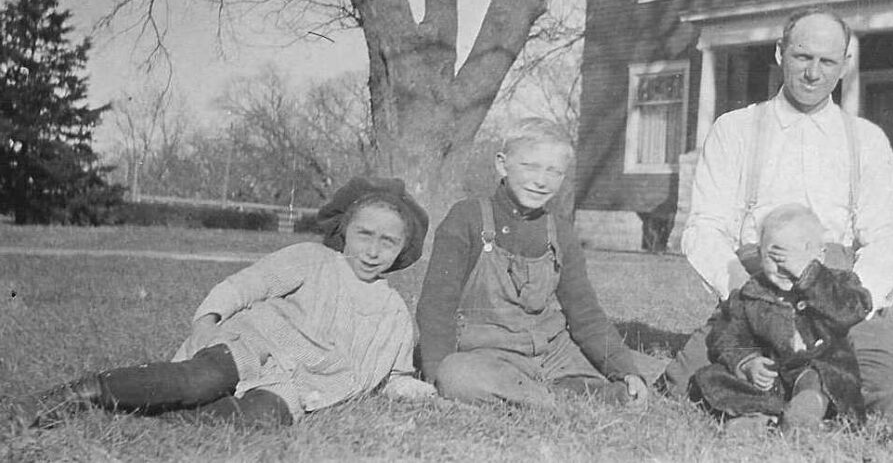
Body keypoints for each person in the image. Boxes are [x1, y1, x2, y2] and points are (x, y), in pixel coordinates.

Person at [663, 8, 893, 420]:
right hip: (756, 288)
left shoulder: (866, 140)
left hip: (834, 293)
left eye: (827, 62)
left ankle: (801, 395)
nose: (813, 73)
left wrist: (855, 302)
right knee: (686, 380)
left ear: (844, 66)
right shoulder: (735, 129)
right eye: (802, 57)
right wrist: (739, 289)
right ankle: (807, 393)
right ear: (779, 54)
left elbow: (884, 239)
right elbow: (705, 228)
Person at [6, 177, 436, 429]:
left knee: (261, 418)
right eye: (365, 235)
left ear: (401, 250)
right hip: (255, 344)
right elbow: (246, 284)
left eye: (388, 242)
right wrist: (206, 320)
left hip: (297, 386)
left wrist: (419, 390)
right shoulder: (312, 260)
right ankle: (68, 397)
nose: (373, 250)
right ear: (345, 231)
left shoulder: (394, 313)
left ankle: (155, 413)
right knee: (199, 380)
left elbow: (390, 374)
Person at [416, 118, 650, 408]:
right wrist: (435, 377)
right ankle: (563, 398)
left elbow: (585, 313)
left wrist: (625, 371)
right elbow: (437, 305)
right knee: (457, 375)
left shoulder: (560, 231)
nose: (542, 181)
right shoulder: (467, 217)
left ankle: (579, 391)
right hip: (489, 354)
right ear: (502, 164)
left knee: (641, 370)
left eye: (555, 172)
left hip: (552, 354)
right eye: (530, 166)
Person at [690, 204, 870, 435]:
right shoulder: (752, 292)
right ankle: (759, 417)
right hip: (774, 378)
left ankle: (805, 413)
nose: (784, 266)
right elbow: (729, 334)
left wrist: (810, 277)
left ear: (820, 255)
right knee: (712, 376)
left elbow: (854, 309)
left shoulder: (837, 284)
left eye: (795, 257)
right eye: (773, 257)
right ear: (759, 254)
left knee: (819, 380)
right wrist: (747, 362)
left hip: (821, 371)